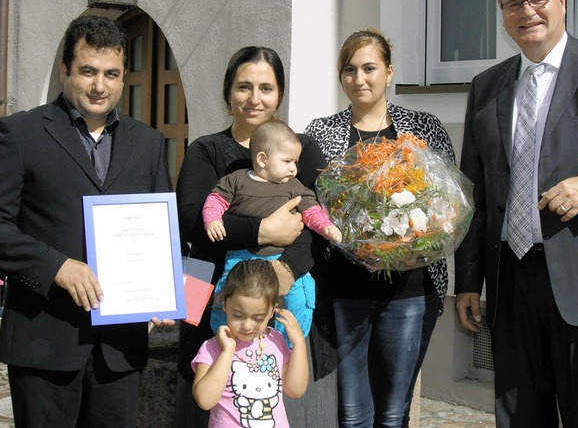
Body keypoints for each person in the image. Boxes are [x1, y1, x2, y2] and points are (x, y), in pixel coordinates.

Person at [455, 0, 578, 427]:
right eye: (513, 4)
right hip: (511, 281)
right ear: (503, 14)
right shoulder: (486, 87)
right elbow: (475, 194)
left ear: (562, 2)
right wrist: (469, 280)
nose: (526, 11)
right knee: (518, 417)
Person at [0, 15, 173, 427]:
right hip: (44, 340)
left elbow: (163, 231)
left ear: (124, 77)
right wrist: (56, 266)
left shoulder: (149, 143)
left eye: (111, 74)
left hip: (119, 350)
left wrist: (167, 291)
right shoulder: (20, 134)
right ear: (65, 70)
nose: (99, 86)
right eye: (88, 71)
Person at [174, 46, 338, 428]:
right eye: (243, 87)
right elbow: (189, 221)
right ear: (228, 94)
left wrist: (286, 270)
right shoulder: (206, 150)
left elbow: (316, 220)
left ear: (279, 94)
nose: (254, 98)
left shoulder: (300, 148)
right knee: (207, 402)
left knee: (285, 404)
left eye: (266, 87)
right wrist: (260, 230)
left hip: (289, 284)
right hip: (208, 285)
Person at [304, 28, 455, 427]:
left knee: (393, 414)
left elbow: (447, 203)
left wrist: (411, 239)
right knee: (352, 415)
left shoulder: (423, 127)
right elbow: (310, 205)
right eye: (350, 70)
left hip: (408, 293)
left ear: (389, 72)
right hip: (343, 291)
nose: (360, 79)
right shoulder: (319, 134)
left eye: (370, 68)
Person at [204, 120, 342, 344]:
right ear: (262, 159)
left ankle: (285, 344)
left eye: (295, 162)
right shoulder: (237, 180)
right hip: (242, 258)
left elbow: (311, 210)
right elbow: (215, 199)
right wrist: (212, 220)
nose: (293, 168)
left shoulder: (294, 186)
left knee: (298, 294)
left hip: (282, 257)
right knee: (229, 296)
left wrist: (326, 227)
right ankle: (225, 340)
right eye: (287, 161)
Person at [192, 258, 308, 427]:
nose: (247, 326)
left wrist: (298, 344)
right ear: (224, 304)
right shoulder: (212, 347)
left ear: (271, 312)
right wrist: (226, 352)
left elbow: (295, 390)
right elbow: (204, 400)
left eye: (258, 318)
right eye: (238, 315)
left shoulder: (275, 340)